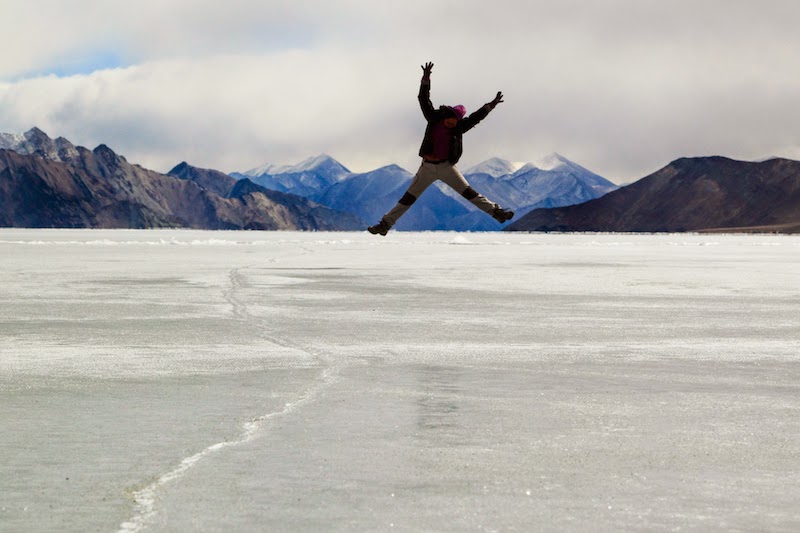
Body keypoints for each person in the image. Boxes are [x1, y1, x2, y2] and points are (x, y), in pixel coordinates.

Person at [368, 62, 514, 236]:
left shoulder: (458, 127)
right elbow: (423, 100)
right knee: (408, 198)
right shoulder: (433, 118)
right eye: (453, 120)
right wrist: (425, 79)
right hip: (427, 167)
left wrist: (490, 106)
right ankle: (385, 225)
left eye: (457, 121)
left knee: (470, 193)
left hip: (447, 168)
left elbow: (476, 118)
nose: (454, 123)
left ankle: (497, 213)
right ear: (448, 115)